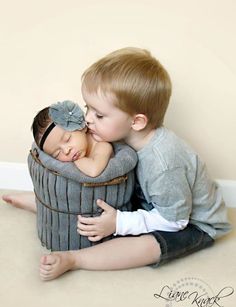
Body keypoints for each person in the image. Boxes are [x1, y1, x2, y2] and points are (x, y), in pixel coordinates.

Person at [2, 47, 231, 281]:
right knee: (101, 202)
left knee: (148, 246)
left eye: (99, 115)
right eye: (87, 108)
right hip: (150, 202)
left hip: (191, 222)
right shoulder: (120, 133)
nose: (88, 119)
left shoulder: (164, 163)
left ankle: (75, 259)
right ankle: (43, 204)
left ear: (137, 121)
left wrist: (119, 223)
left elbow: (175, 220)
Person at [31, 100, 113, 178]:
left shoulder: (102, 146)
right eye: (57, 153)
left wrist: (75, 161)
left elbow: (93, 171)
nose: (66, 151)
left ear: (82, 127)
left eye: (67, 139)